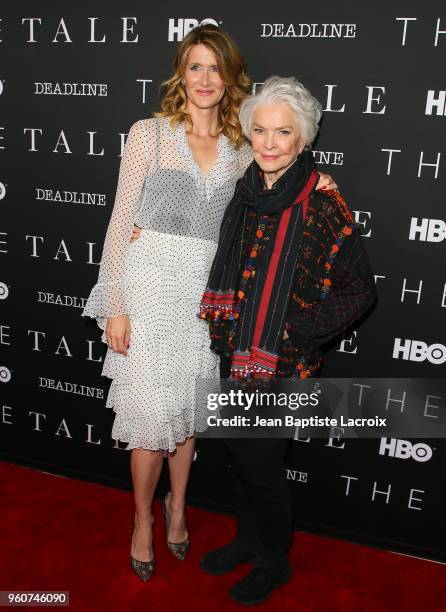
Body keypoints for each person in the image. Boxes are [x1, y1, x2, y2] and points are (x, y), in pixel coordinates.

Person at [82, 25, 336, 583]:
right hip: (147, 294)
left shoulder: (243, 146)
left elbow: (280, 176)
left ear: (230, 78)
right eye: (195, 66)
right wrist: (116, 304)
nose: (205, 79)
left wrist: (321, 185)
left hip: (208, 301)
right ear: (181, 73)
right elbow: (121, 220)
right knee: (150, 420)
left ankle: (178, 509)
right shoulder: (148, 134)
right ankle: (142, 521)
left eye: (215, 68)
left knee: (187, 415)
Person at [199, 76, 377, 605]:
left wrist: (298, 328)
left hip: (285, 362)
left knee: (261, 464)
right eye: (260, 130)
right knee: (239, 453)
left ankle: (274, 559)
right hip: (236, 348)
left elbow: (360, 289)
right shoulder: (246, 189)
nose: (270, 143)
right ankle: (248, 540)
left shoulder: (322, 201)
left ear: (303, 139)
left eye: (283, 132)